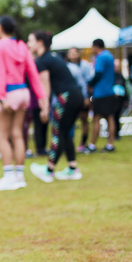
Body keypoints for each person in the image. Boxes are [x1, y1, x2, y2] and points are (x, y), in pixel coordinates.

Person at [0, 16, 48, 191]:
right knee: (17, 134)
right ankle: (19, 176)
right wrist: (42, 98)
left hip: (8, 92)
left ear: (0, 28)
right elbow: (33, 74)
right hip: (23, 93)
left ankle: (8, 177)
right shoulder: (22, 46)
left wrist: (0, 97)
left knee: (0, 135)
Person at [27, 31, 84, 183]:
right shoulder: (53, 57)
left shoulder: (42, 61)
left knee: (58, 132)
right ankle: (72, 168)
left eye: (30, 40)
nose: (28, 44)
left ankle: (49, 170)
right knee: (65, 133)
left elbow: (45, 85)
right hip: (76, 96)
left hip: (66, 97)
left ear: (40, 43)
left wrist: (44, 107)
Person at [85, 39, 116, 153]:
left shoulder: (101, 57)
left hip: (100, 92)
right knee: (110, 118)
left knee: (96, 118)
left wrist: (90, 84)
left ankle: (92, 145)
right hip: (109, 91)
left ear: (96, 46)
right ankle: (110, 144)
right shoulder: (109, 55)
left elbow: (98, 73)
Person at [66, 47, 93, 151]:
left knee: (84, 120)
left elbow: (87, 83)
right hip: (71, 97)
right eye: (70, 53)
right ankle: (69, 143)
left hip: (82, 96)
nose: (72, 55)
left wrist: (86, 97)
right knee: (70, 121)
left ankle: (83, 143)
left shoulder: (85, 66)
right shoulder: (66, 66)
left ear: (78, 54)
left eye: (74, 53)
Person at [111, 58, 127, 140]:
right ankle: (112, 133)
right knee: (112, 117)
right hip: (112, 100)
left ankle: (117, 133)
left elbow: (125, 88)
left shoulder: (121, 76)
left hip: (119, 100)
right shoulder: (110, 76)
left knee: (117, 116)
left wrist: (125, 100)